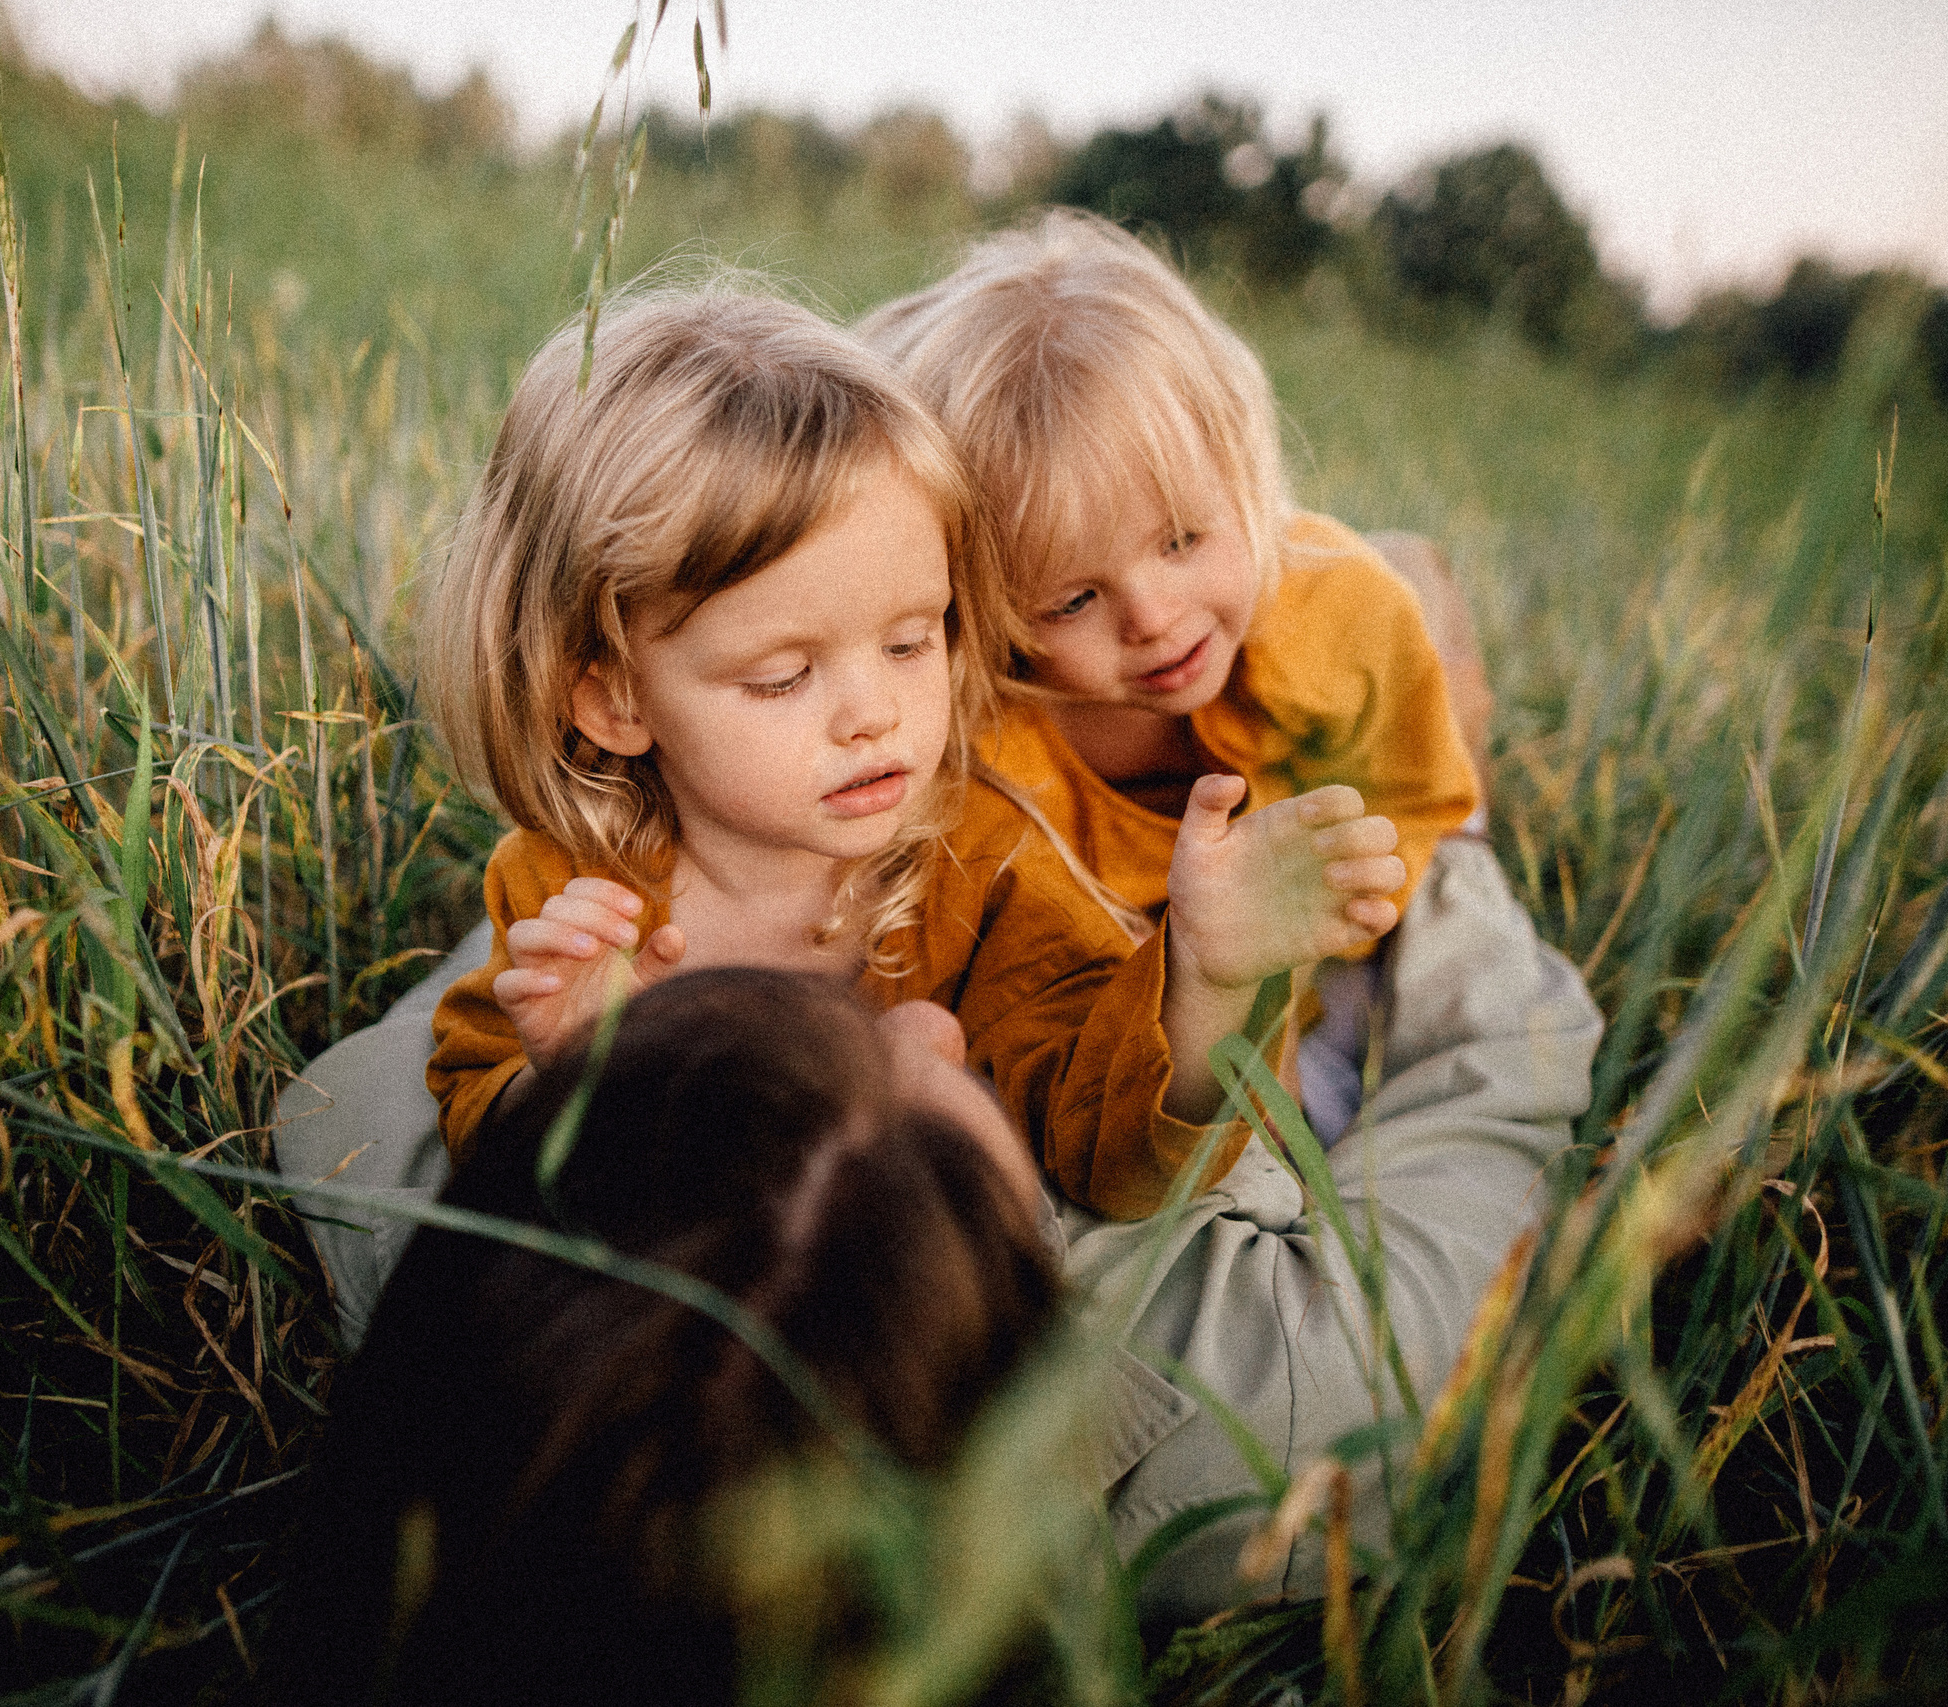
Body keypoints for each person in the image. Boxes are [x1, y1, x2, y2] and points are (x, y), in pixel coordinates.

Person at [420, 284, 1408, 1218]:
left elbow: (1111, 1157)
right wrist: (580, 1081)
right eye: (781, 677)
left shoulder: (982, 862)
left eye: (910, 641)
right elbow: (476, 1107)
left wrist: (1207, 980)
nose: (874, 715)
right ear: (612, 699)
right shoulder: (575, 888)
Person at [263, 968, 1070, 1706]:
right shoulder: (1176, 1455)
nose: (926, 1022)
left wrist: (592, 1048)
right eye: (965, 1106)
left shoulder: (345, 1124)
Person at [858, 208, 1485, 1143]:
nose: (1153, 617)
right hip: (1139, 967)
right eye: (1071, 599)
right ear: (976, 609)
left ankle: (1438, 606)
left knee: (1433, 674)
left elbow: (1411, 784)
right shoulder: (988, 766)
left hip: (1329, 802)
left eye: (1185, 539)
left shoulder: (1344, 618)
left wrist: (1345, 910)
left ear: (1245, 475)